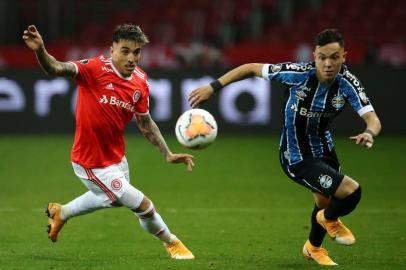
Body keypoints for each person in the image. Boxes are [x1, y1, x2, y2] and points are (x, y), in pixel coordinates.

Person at [188, 29, 381, 266]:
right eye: (322, 57)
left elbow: (373, 119)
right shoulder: (297, 73)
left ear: (344, 56)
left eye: (334, 57)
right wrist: (212, 87)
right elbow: (250, 67)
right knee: (351, 192)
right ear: (314, 56)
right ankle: (329, 220)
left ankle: (313, 247)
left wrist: (369, 133)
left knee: (323, 200)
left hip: (324, 148)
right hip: (296, 155)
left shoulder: (348, 83)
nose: (328, 63)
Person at [23, 24, 195, 260]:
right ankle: (173, 243)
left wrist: (167, 153)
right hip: (90, 162)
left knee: (114, 200)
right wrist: (40, 50)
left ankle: (60, 212)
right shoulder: (93, 68)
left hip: (116, 157)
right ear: (112, 49)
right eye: (125, 51)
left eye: (136, 52)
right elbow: (55, 68)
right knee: (141, 204)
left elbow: (145, 123)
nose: (131, 58)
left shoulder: (141, 81)